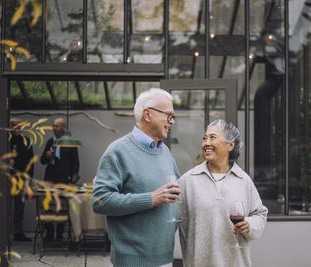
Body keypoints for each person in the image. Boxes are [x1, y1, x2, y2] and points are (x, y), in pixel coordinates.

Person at [92, 88, 181, 267]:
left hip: (165, 259)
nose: (171, 121)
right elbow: (99, 201)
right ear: (147, 115)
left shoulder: (164, 152)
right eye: (168, 115)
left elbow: (177, 194)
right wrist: (151, 199)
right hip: (132, 262)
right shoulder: (117, 151)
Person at [178, 119, 268, 267]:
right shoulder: (188, 181)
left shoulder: (243, 180)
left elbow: (260, 214)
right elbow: (171, 220)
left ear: (230, 145)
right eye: (204, 138)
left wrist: (249, 225)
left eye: (213, 137)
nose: (206, 143)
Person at [40, 117, 80, 240]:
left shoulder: (70, 143)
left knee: (62, 207)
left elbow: (76, 164)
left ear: (64, 128)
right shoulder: (50, 141)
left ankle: (59, 232)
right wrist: (47, 156)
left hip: (64, 180)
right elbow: (42, 161)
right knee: (48, 206)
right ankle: (49, 231)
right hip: (50, 180)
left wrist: (73, 181)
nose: (54, 128)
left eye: (57, 126)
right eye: (53, 126)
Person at [9, 118, 34, 242]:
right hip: (6, 178)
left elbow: (31, 162)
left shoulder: (26, 141)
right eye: (14, 125)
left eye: (19, 125)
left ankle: (18, 232)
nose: (17, 127)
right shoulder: (5, 140)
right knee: (5, 206)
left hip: (21, 179)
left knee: (19, 206)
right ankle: (3, 233)